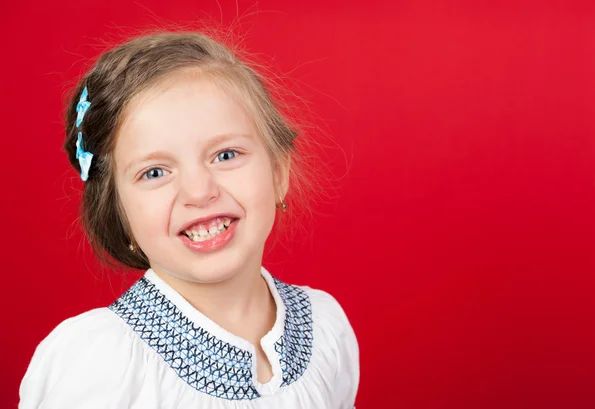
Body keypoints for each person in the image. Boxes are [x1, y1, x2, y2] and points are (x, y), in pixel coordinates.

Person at [18, 32, 359, 408]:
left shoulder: (325, 328)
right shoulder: (99, 364)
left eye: (226, 155)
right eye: (154, 172)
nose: (199, 192)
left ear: (279, 172)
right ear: (119, 211)